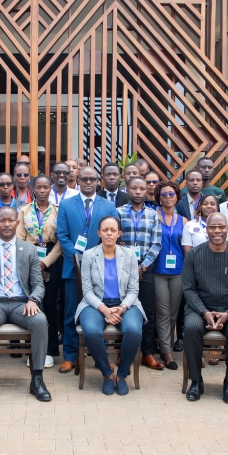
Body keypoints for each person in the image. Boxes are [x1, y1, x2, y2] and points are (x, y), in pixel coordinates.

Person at [0, 207, 52, 402]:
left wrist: (33, 300)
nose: (6, 224)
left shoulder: (29, 250)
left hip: (21, 304)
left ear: (17, 223)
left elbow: (38, 284)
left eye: (10, 220)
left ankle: (37, 378)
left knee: (40, 321)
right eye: (2, 220)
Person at [182, 212, 228, 404]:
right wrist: (204, 312)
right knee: (190, 328)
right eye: (212, 227)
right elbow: (188, 289)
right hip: (200, 308)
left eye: (221, 227)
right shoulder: (194, 255)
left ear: (227, 229)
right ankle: (196, 381)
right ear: (206, 230)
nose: (217, 231)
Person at [55, 166, 119, 373]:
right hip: (73, 268)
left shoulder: (109, 205)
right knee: (71, 312)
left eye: (92, 179)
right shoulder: (65, 204)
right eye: (84, 179)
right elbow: (62, 235)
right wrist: (75, 255)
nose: (88, 182)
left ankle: (99, 358)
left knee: (99, 312)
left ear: (98, 181)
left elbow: (113, 235)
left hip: (102, 268)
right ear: (78, 180)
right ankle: (70, 356)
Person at [76, 215, 145, 395]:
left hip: (125, 305)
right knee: (90, 331)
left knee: (133, 330)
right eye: (105, 230)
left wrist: (121, 308)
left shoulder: (129, 255)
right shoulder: (89, 255)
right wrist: (105, 309)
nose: (109, 233)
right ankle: (107, 373)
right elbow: (87, 290)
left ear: (119, 233)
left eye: (113, 230)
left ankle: (121, 375)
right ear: (99, 233)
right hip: (95, 305)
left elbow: (133, 289)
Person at [16, 175, 62, 367]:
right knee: (32, 305)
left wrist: (45, 263)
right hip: (29, 257)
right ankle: (33, 350)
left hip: (52, 257)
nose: (42, 190)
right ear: (32, 188)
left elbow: (61, 241)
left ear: (51, 188)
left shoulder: (59, 211)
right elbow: (19, 239)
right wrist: (34, 263)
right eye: (38, 187)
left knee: (50, 305)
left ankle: (50, 350)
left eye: (46, 187)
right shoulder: (24, 210)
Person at [117, 177, 162, 370]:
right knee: (123, 309)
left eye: (141, 189)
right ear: (126, 189)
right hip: (122, 270)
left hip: (146, 269)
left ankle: (147, 353)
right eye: (133, 188)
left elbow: (156, 243)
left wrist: (142, 266)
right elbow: (115, 242)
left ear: (146, 191)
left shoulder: (153, 215)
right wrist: (130, 266)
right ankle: (123, 351)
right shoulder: (118, 213)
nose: (137, 192)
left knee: (148, 312)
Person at [152, 180, 187, 370]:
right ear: (158, 197)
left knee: (173, 313)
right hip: (158, 271)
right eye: (163, 194)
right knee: (163, 311)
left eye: (171, 194)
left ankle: (166, 345)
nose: (167, 197)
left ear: (177, 197)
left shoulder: (184, 221)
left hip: (178, 272)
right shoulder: (153, 217)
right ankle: (167, 352)